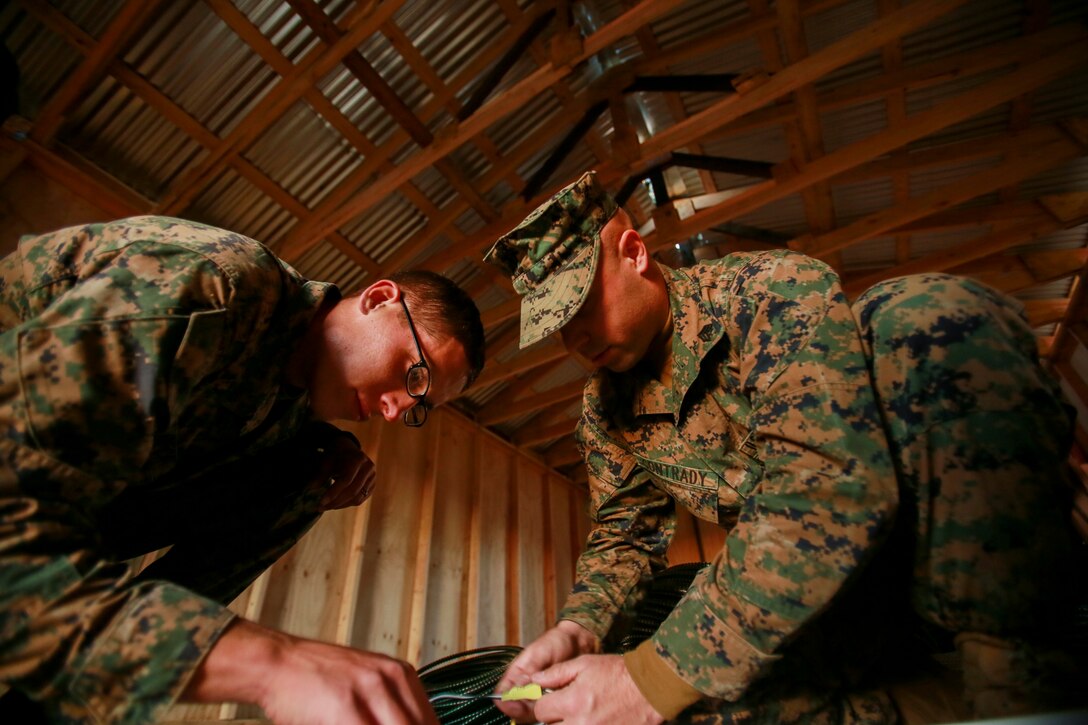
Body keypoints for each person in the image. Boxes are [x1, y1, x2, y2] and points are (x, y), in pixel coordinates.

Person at [484, 171, 1081, 723]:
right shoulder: (605, 410)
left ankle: (1018, 688)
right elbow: (625, 536)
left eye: (583, 305)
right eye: (559, 324)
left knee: (914, 315)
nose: (577, 338)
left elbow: (825, 484)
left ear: (635, 254)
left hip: (938, 548)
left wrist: (645, 681)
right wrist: (579, 627)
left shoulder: (766, 292)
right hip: (825, 601)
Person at [0, 216, 485, 723]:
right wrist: (273, 666)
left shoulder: (300, 401)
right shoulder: (217, 283)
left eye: (417, 407)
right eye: (415, 373)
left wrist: (332, 445)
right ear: (379, 299)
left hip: (91, 508)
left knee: (312, 478)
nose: (394, 410)